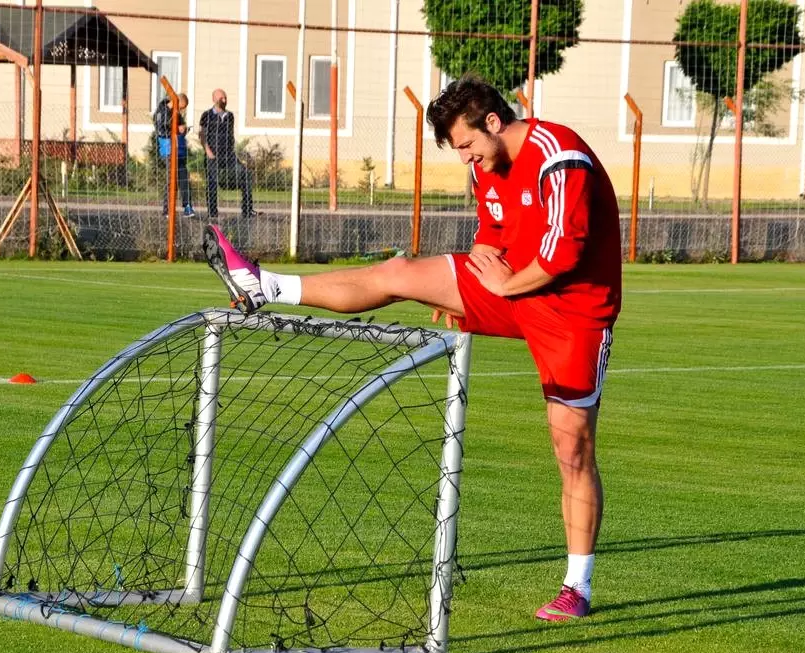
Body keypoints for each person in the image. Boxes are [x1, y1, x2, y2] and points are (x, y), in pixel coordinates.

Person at [202, 76, 622, 622]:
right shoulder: (483, 166)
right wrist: (466, 294)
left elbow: (563, 256)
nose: (466, 156)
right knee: (397, 272)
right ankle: (267, 286)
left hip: (573, 314)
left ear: (493, 123)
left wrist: (495, 287)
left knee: (572, 450)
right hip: (511, 286)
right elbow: (490, 241)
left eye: (468, 144)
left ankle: (577, 587)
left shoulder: (559, 157)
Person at [199, 89, 255, 219]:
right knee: (212, 182)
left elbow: (230, 136)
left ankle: (247, 210)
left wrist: (235, 152)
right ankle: (212, 213)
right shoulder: (206, 115)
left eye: (225, 98)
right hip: (212, 155)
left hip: (229, 155)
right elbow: (201, 135)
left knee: (245, 174)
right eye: (221, 98)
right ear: (214, 99)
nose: (224, 100)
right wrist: (208, 151)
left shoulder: (230, 116)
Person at [154, 92, 195, 218]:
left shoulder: (177, 113)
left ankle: (187, 206)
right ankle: (167, 210)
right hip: (168, 150)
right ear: (176, 101)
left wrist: (184, 129)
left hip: (179, 149)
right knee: (171, 180)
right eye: (181, 107)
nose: (181, 111)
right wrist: (177, 129)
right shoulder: (161, 112)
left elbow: (180, 127)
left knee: (184, 178)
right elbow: (161, 130)